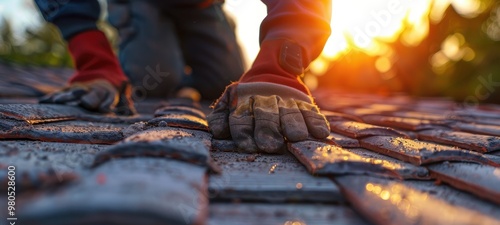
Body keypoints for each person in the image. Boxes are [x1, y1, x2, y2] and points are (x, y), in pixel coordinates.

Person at [35, 0, 332, 153]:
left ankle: (189, 70)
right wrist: (94, 60)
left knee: (223, 82)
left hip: (201, 6)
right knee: (152, 82)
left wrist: (276, 68)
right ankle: (160, 53)